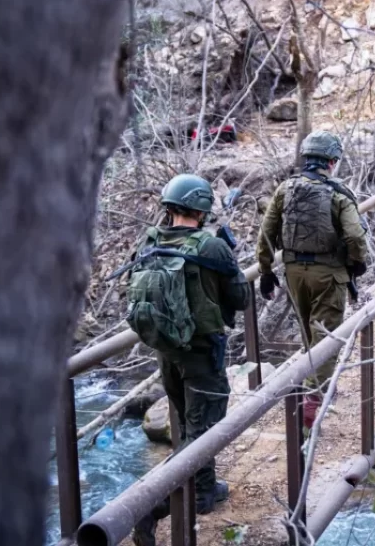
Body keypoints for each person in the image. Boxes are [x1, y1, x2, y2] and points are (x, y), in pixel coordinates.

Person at [128, 174, 250, 546]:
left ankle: (204, 491)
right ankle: (151, 507)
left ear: (170, 207)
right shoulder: (211, 247)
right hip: (202, 354)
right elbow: (240, 298)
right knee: (202, 434)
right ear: (202, 208)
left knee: (190, 424)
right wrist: (231, 258)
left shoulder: (149, 241)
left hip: (166, 351)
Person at [256, 131, 368, 434]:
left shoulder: (285, 189)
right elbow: (355, 236)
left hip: (293, 272)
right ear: (332, 161)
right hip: (328, 273)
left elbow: (266, 232)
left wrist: (266, 271)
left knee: (309, 330)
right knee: (327, 337)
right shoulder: (339, 194)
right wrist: (358, 263)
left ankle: (313, 387)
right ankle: (313, 403)